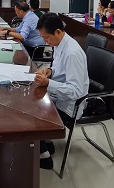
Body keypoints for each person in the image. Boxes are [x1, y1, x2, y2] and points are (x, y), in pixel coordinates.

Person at [33, 13, 89, 170]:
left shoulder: (72, 53)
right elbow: (60, 69)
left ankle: (44, 157)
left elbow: (76, 91)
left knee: (31, 112)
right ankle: (46, 143)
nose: (45, 41)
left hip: (71, 106)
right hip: (60, 96)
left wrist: (48, 83)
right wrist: (50, 71)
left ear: (58, 31)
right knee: (32, 100)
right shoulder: (59, 44)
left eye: (46, 37)